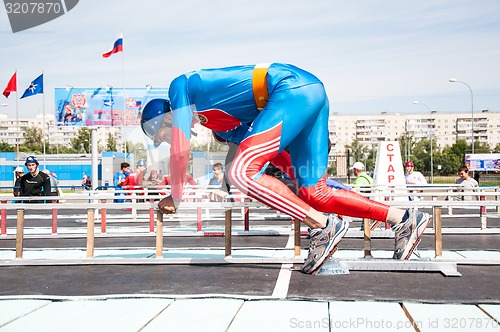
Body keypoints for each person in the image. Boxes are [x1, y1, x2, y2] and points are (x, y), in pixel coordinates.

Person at [140, 63, 431, 274]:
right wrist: (295, 179)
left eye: (159, 135)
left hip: (288, 89)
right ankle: (403, 218)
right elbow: (273, 152)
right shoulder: (220, 126)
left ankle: (324, 226)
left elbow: (181, 150)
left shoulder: (180, 87)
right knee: (315, 193)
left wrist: (175, 196)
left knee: (240, 172)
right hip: (307, 94)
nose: (164, 141)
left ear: (164, 119)